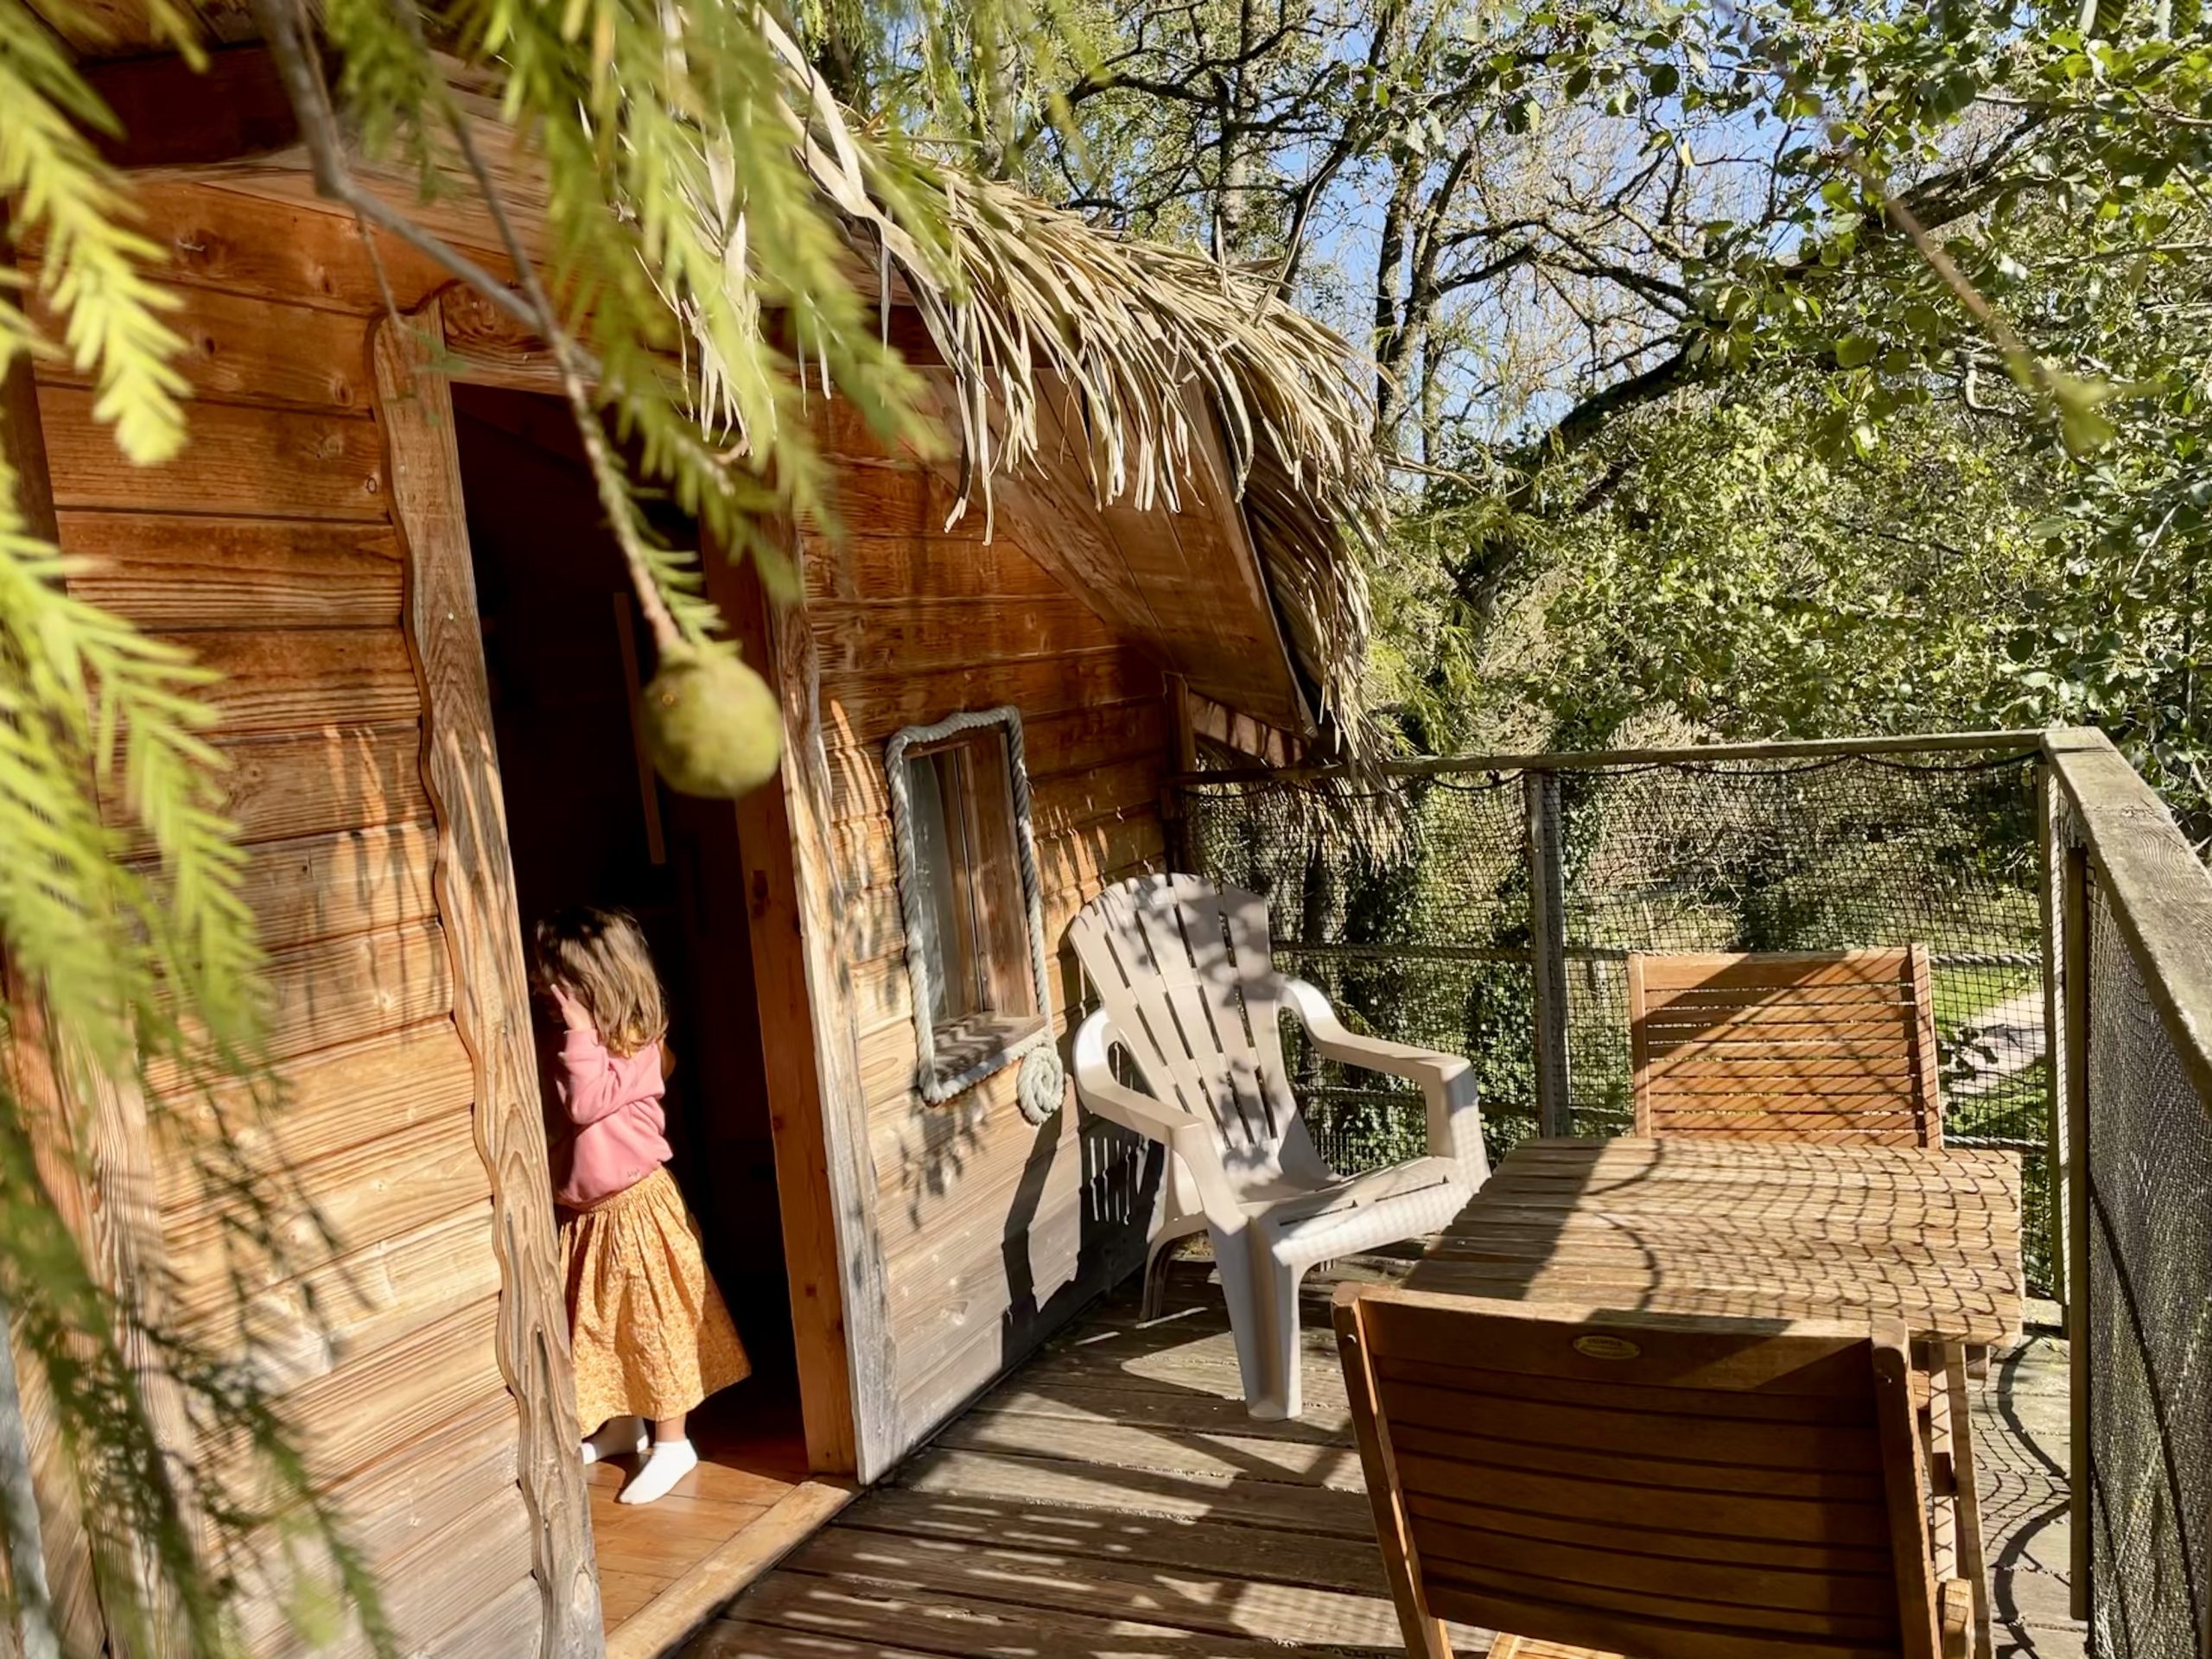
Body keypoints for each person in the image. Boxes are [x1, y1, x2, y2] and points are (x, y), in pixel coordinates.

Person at [533, 906, 748, 1506]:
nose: (551, 999)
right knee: (602, 1327)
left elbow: (584, 1104)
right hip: (591, 1217)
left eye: (559, 988)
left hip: (636, 1212)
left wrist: (578, 1031)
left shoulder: (638, 1047)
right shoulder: (578, 1043)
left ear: (592, 984)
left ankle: (672, 1442)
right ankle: (624, 1423)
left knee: (653, 1326)